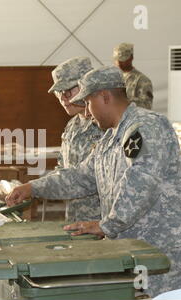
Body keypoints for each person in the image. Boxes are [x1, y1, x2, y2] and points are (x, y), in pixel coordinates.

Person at [6, 66, 181, 297]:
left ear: (104, 97)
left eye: (87, 103)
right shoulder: (109, 139)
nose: (86, 111)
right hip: (139, 252)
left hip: (171, 256)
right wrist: (32, 187)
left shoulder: (146, 126)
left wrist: (106, 225)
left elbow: (141, 185)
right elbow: (80, 177)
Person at [44, 57, 103, 223]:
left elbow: (89, 177)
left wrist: (34, 188)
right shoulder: (73, 125)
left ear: (86, 85)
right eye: (59, 92)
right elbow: (63, 167)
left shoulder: (105, 124)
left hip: (102, 223)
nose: (63, 97)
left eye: (68, 90)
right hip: (76, 218)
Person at [113, 42, 153, 110]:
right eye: (117, 60)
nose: (119, 63)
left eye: (123, 60)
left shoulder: (142, 80)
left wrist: (124, 101)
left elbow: (147, 106)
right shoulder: (112, 79)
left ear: (131, 58)